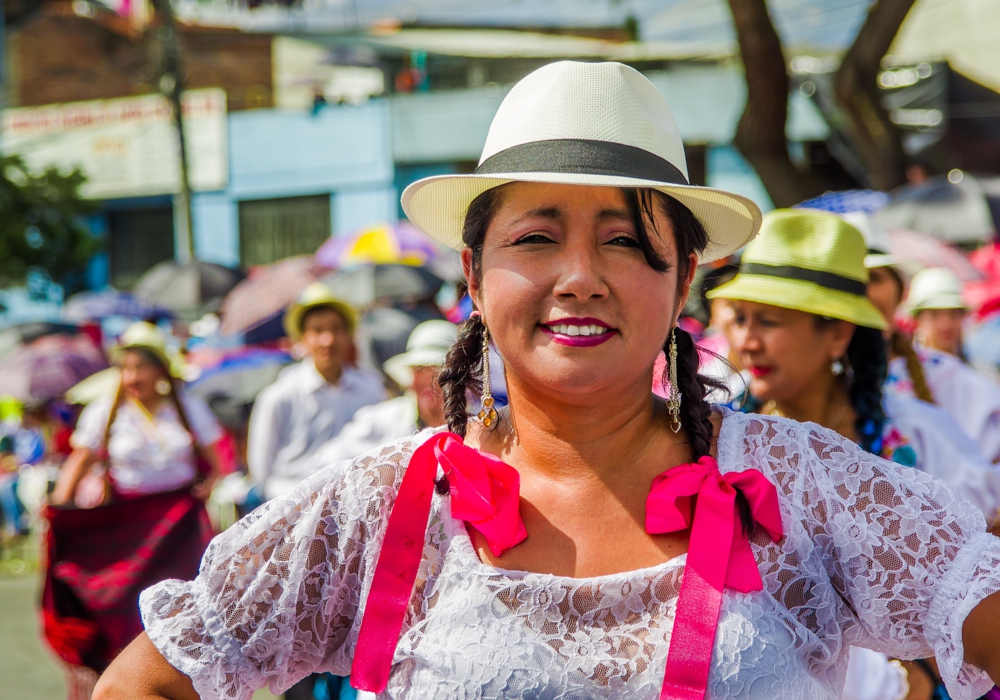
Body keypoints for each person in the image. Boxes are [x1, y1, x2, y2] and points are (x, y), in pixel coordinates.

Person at [96, 62, 1000, 700]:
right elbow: (151, 679)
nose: (579, 276)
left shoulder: (806, 487)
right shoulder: (385, 505)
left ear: (681, 276)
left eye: (621, 238)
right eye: (535, 237)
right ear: (473, 273)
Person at [708, 209, 1000, 699]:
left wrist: (920, 672)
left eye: (771, 321)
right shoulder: (721, 445)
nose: (748, 341)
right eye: (740, 319)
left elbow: (975, 553)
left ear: (838, 334)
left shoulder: (914, 433)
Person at [47, 322, 221, 698]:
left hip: (178, 529)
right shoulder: (105, 411)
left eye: (141, 366)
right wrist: (60, 509)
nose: (132, 376)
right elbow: (80, 460)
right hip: (124, 526)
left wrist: (212, 487)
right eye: (125, 367)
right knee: (121, 615)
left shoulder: (187, 409)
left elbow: (218, 458)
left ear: (160, 369)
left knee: (183, 615)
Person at [246, 283, 386, 500]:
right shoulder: (280, 396)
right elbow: (262, 470)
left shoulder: (371, 389)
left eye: (336, 329)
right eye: (317, 330)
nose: (327, 340)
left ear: (349, 335)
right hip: (295, 506)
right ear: (302, 338)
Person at [305, 320, 457, 469]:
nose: (428, 379)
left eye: (438, 369)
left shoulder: (476, 423)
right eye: (419, 369)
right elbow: (326, 461)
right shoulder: (383, 421)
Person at [906, 267, 969, 358]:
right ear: (917, 320)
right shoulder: (901, 370)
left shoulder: (981, 370)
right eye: (934, 314)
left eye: (953, 314)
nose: (945, 324)